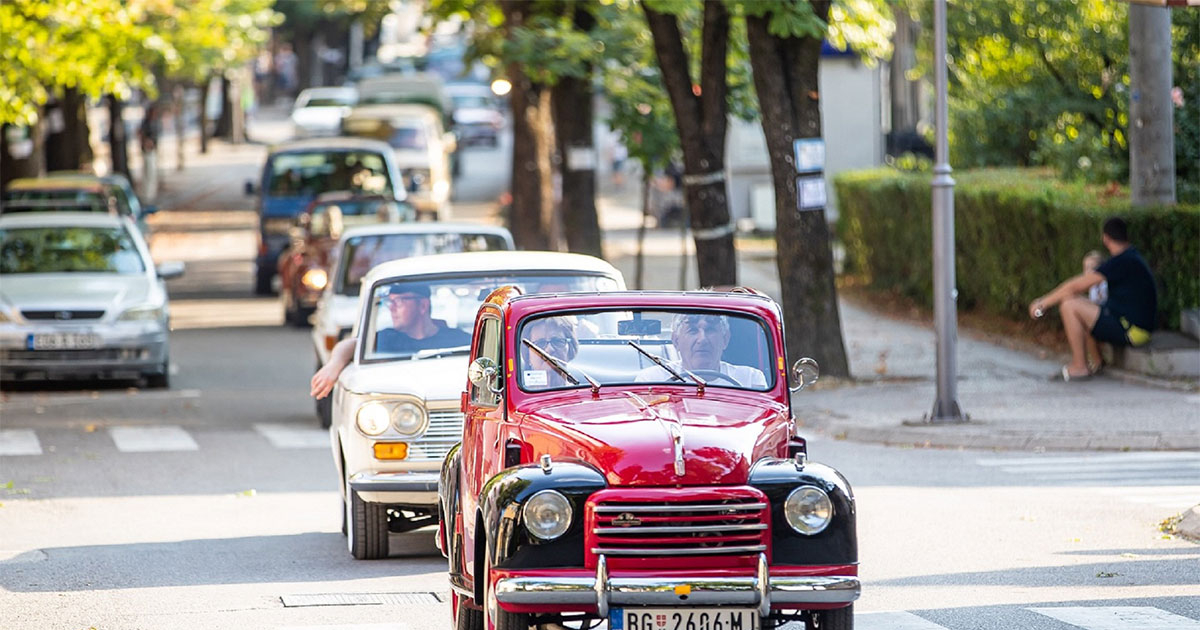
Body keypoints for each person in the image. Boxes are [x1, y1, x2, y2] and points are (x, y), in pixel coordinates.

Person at [1029, 216, 1157, 381]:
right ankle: (1096, 361)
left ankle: (1080, 367)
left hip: (1133, 330)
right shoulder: (1130, 258)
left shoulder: (1121, 261)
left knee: (1070, 306)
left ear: (1106, 238)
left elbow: (1076, 285)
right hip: (1132, 324)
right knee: (1078, 302)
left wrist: (1042, 303)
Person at [310, 283, 469, 399]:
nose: (392, 308)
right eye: (389, 302)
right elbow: (351, 344)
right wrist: (333, 365)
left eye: (399, 301)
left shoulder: (458, 339)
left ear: (423, 305)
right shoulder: (386, 338)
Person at [635, 313, 767, 388]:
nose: (702, 339)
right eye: (692, 330)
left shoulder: (749, 380)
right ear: (676, 341)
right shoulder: (651, 380)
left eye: (710, 330)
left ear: (725, 339)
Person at [520, 316, 580, 389]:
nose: (549, 349)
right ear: (527, 354)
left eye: (557, 341)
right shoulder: (518, 396)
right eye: (540, 343)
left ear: (570, 349)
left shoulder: (581, 394)